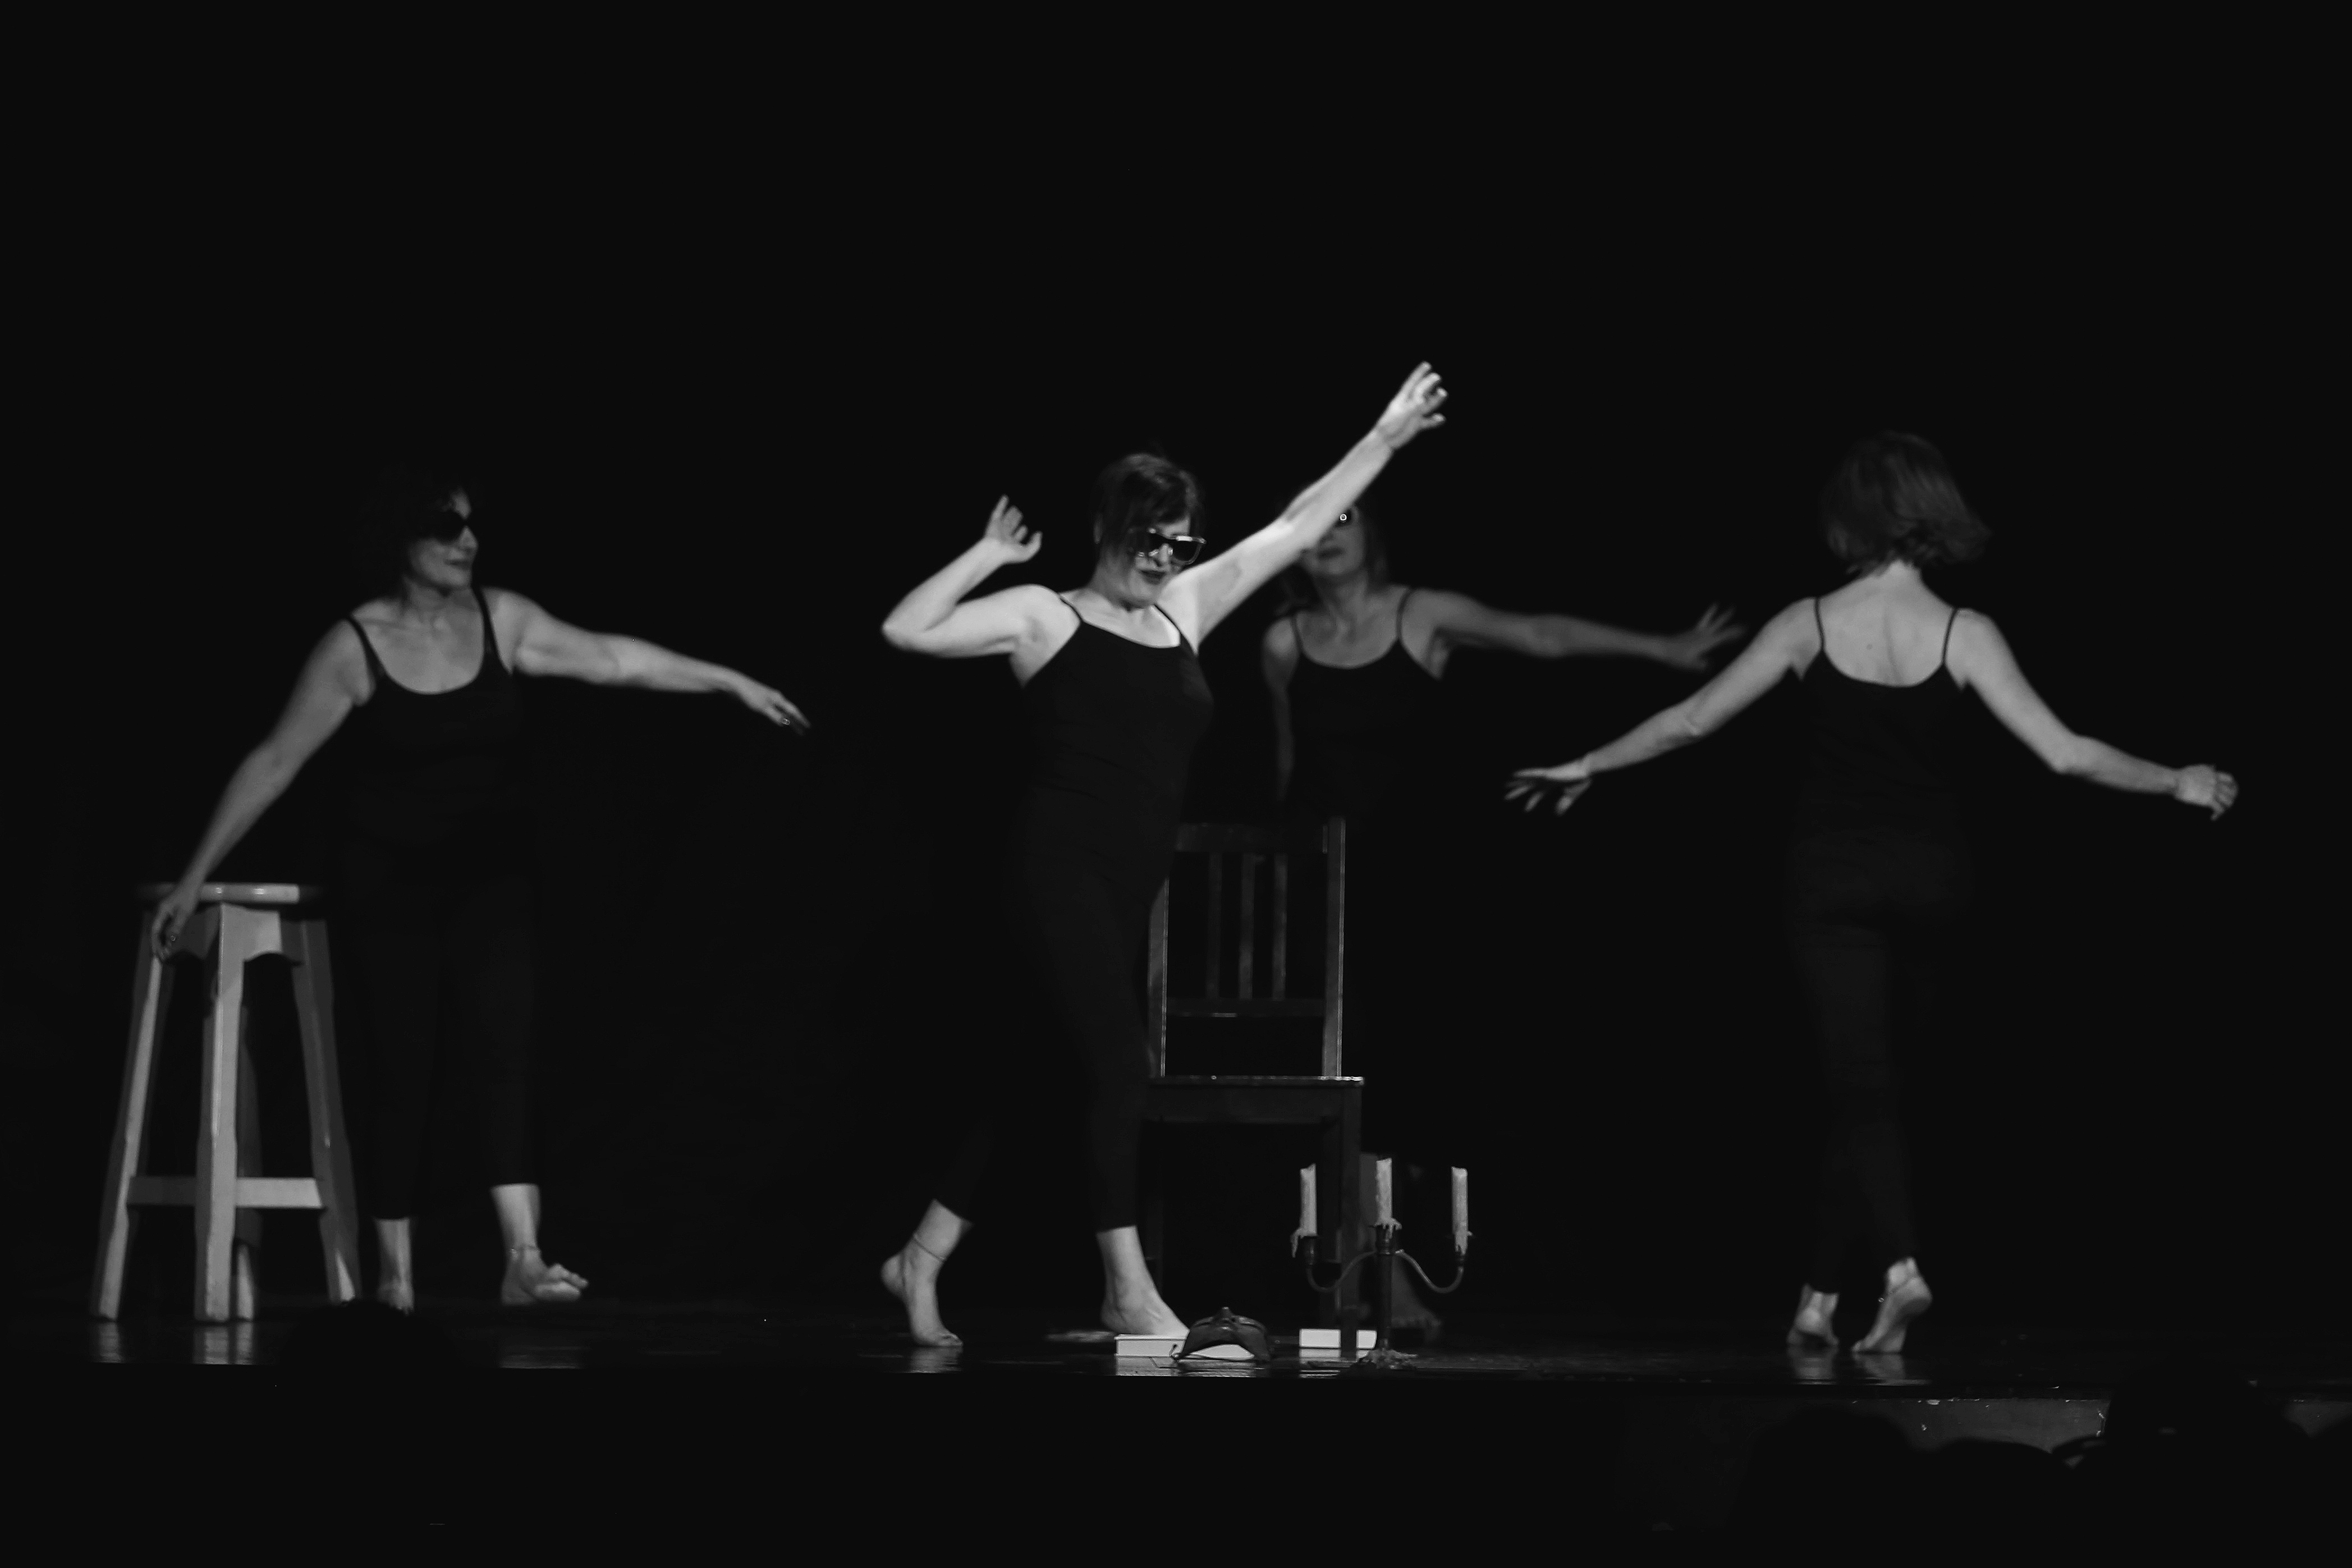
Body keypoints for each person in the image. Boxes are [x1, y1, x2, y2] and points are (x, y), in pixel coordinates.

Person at [1508, 433, 2236, 1354]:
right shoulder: (1967, 632)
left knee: (1862, 1090)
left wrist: (1589, 762)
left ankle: (1900, 1270)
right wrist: (2178, 780)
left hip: (1833, 883)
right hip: (1937, 881)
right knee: (1874, 1095)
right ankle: (1817, 1296)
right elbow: (2065, 753)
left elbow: (1691, 720)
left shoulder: (1808, 622)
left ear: (1850, 519)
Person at [877, 364, 1450, 1347]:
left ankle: (918, 1259)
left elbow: (1298, 526)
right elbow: (906, 628)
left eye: (1181, 543)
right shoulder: (1044, 615)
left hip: (1125, 886)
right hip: (1052, 870)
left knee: (1038, 1076)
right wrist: (987, 554)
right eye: (1150, 540)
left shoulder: (1185, 607)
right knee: (1119, 1063)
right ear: (1109, 527)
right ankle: (1127, 1290)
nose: (1165, 558)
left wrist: (1386, 438)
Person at [152, 468, 806, 1310]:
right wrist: (194, 876)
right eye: (445, 527)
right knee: (403, 1072)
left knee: (507, 1057)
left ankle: (522, 1258)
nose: (468, 541)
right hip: (389, 889)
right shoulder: (354, 646)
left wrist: (731, 681)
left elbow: (615, 659)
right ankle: (395, 1278)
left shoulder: (504, 618)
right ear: (399, 539)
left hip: (491, 881)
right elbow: (275, 761)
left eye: (471, 525)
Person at [1263, 503, 1743, 1337]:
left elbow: (1540, 634)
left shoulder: (1422, 615)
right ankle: (1361, 1270)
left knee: (1396, 1080)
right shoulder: (1283, 643)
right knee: (1341, 1074)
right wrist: (1276, 885)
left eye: (1345, 515)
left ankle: (1379, 1262)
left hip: (1408, 884)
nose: (1329, 533)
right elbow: (1287, 764)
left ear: (1374, 533)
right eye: (1315, 521)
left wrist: (1662, 648)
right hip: (1322, 888)